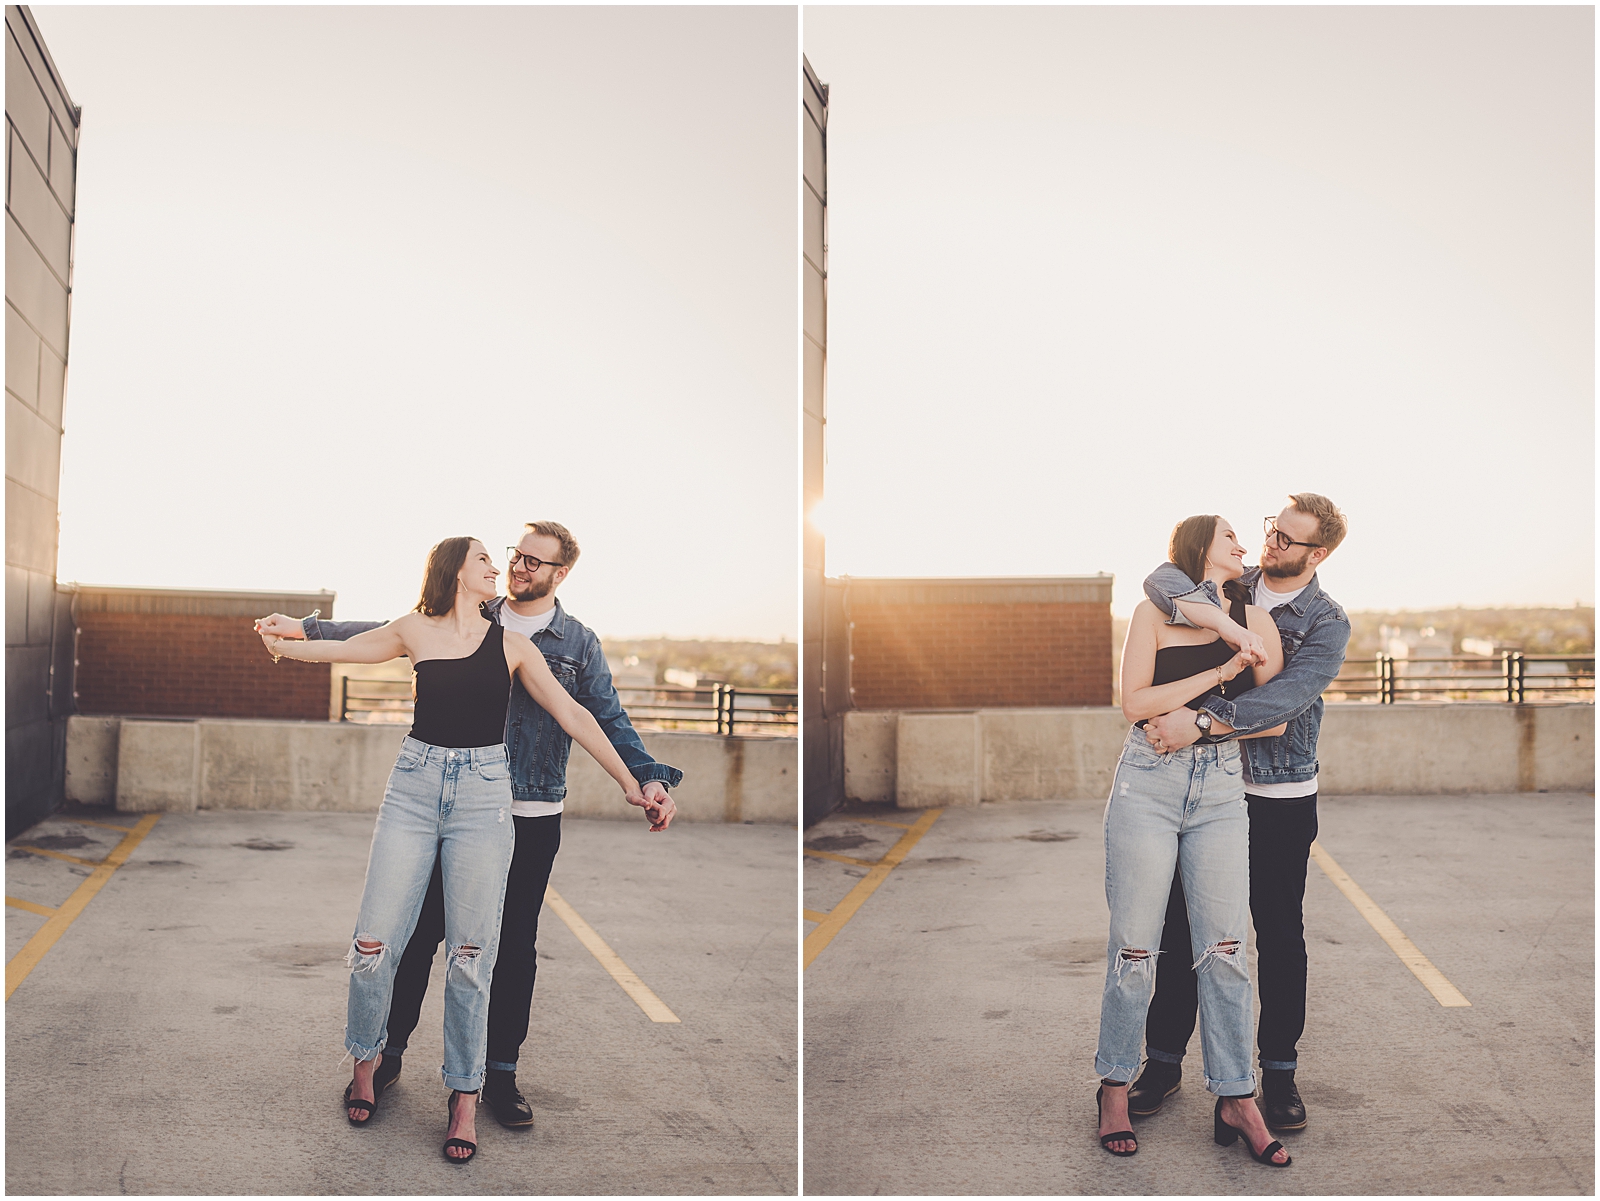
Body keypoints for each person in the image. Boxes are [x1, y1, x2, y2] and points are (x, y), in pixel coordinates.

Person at [255, 520, 682, 1132]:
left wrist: (641, 779)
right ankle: (383, 1056)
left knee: (501, 950)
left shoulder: (569, 643)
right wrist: (299, 634)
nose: (517, 567)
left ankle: (491, 1080)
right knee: (407, 935)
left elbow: (593, 715)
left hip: (522, 808)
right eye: (513, 556)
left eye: (534, 562)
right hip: (429, 790)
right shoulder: (466, 620)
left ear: (560, 573)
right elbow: (375, 635)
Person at [1126, 493, 1350, 1135]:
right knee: (1181, 929)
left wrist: (1198, 723)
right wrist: (1227, 628)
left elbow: (1279, 708)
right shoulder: (1229, 584)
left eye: (1289, 539)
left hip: (1277, 795)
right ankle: (1163, 1065)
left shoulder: (1327, 622)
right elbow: (1161, 578)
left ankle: (1278, 1074)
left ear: (1319, 553)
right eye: (1272, 530)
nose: (1271, 544)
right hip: (1205, 789)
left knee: (1277, 936)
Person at [1095, 514, 1292, 1167]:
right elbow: (1134, 702)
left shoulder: (1255, 618)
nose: (1243, 545)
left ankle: (1238, 1097)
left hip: (1218, 790)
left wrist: (1200, 722)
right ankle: (1115, 1087)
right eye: (1230, 535)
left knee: (1227, 950)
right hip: (1146, 787)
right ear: (1199, 546)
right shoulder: (1154, 612)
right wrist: (1222, 668)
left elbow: (1275, 715)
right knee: (1135, 949)